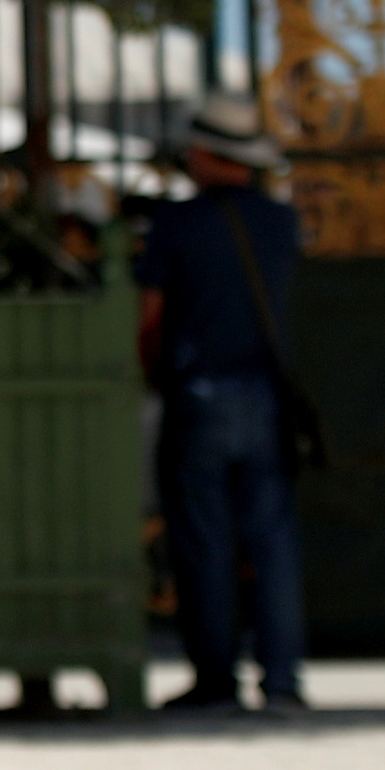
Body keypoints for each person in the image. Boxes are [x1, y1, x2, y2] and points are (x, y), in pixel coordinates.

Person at [136, 91, 309, 714]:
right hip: (265, 394)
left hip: (199, 390)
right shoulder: (281, 222)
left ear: (206, 154)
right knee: (272, 542)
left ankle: (216, 679)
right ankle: (283, 680)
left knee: (204, 541)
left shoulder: (177, 224)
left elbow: (149, 315)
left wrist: (150, 371)